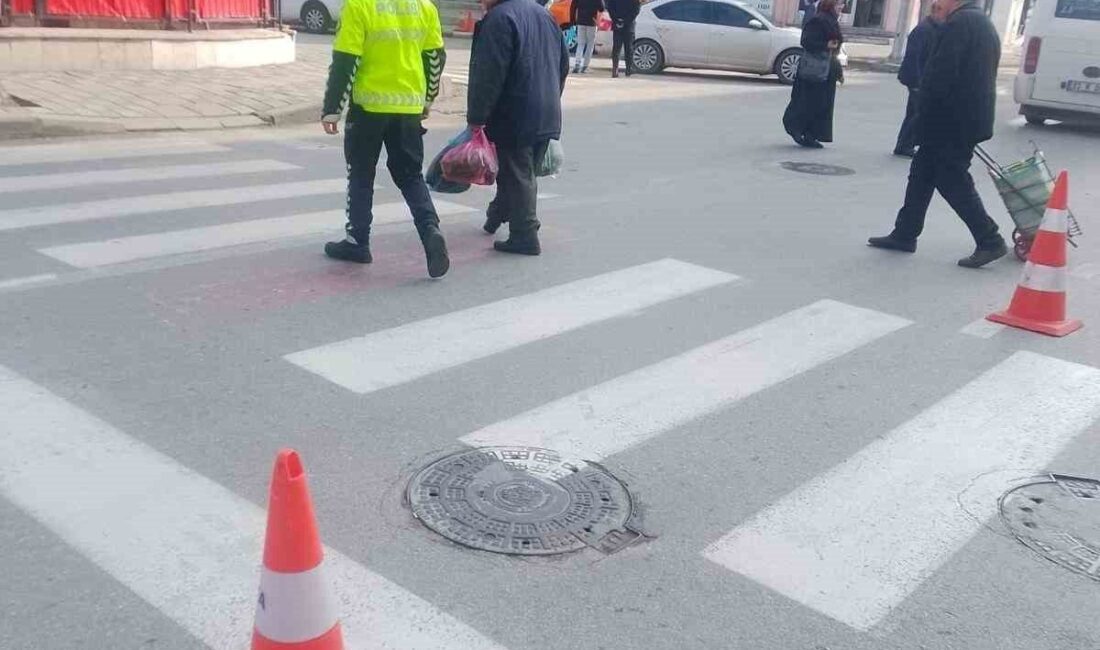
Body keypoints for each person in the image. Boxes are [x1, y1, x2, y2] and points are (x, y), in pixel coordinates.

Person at [868, 0, 1006, 268]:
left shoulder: (960, 24)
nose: (934, 3)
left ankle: (990, 239)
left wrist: (923, 108)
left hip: (952, 120)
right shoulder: (979, 22)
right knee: (921, 173)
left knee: (951, 178)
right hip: (963, 117)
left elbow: (940, 75)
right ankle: (905, 234)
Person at [319, 0, 450, 278]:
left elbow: (346, 60)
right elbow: (435, 58)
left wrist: (332, 109)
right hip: (408, 109)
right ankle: (430, 230)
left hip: (368, 108)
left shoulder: (359, 6)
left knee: (361, 175)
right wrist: (427, 100)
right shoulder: (424, 7)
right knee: (411, 175)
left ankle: (358, 241)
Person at [469, 0, 570, 255]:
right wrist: (551, 96)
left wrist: (477, 116)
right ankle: (497, 215)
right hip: (546, 108)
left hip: (515, 110)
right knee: (517, 172)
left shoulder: (499, 19)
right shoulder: (544, 16)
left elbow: (488, 74)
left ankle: (524, 233)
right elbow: (563, 64)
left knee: (517, 173)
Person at [783, 0, 844, 149]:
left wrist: (838, 72)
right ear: (831, 6)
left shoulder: (832, 21)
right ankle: (797, 129)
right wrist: (825, 45)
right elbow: (806, 41)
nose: (842, 8)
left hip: (826, 70)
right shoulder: (818, 20)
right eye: (839, 5)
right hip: (813, 70)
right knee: (806, 103)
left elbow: (835, 52)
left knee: (821, 106)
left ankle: (811, 135)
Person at [894, 1, 945, 157]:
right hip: (917, 79)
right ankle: (905, 145)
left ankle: (905, 144)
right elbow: (913, 57)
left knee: (914, 112)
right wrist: (916, 82)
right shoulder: (924, 30)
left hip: (922, 79)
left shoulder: (934, 29)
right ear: (936, 12)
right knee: (916, 113)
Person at [607, 0, 641, 77]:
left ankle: (615, 70)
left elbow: (610, 8)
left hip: (617, 24)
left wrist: (616, 19)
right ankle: (628, 69)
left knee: (616, 48)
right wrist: (625, 21)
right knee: (628, 48)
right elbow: (636, 10)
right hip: (629, 26)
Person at [571, 0, 605, 74]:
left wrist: (574, 20)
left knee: (580, 44)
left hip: (581, 21)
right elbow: (602, 9)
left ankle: (577, 64)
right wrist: (598, 21)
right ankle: (585, 66)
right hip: (592, 22)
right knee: (590, 45)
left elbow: (573, 7)